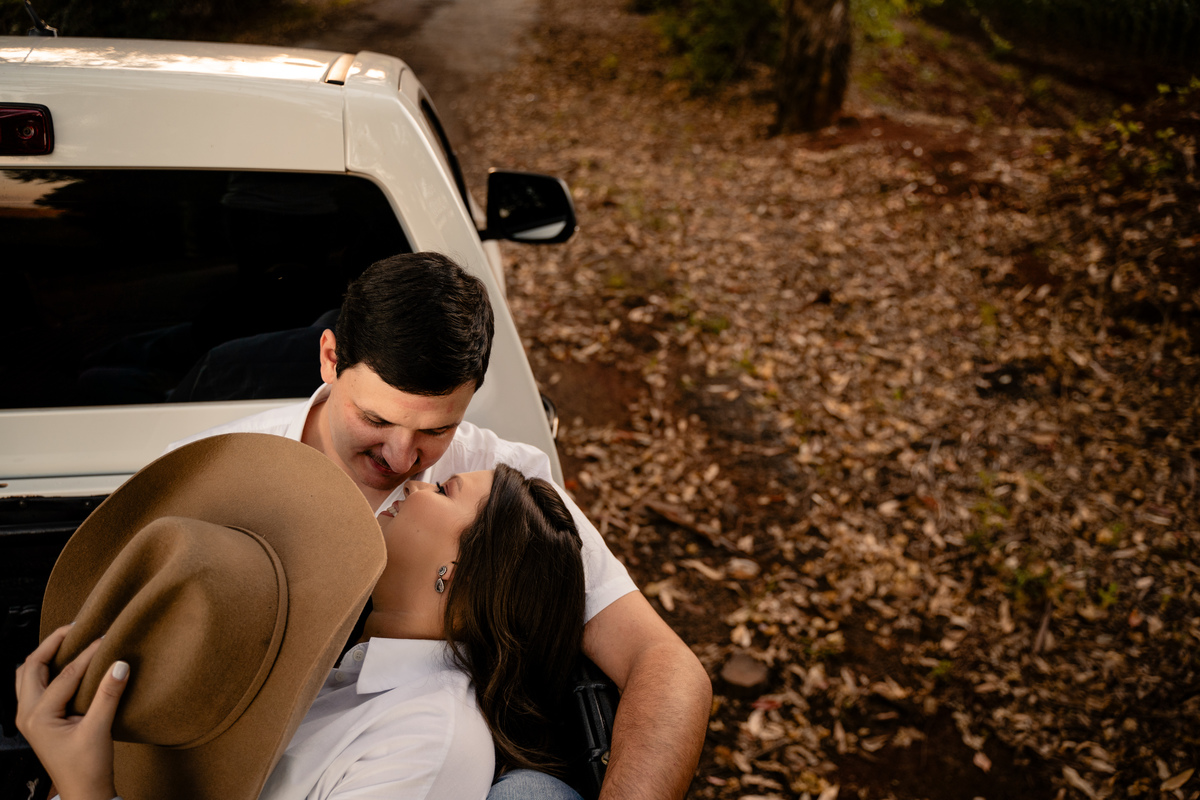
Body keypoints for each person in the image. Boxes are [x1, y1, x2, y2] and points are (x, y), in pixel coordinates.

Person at [167, 252, 712, 800]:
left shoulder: (499, 482)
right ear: (330, 359)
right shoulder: (213, 475)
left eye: (439, 428)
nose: (404, 459)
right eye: (376, 420)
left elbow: (662, 662)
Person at [16, 435, 587, 800]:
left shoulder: (430, 740)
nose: (413, 485)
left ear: (455, 574)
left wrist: (86, 790)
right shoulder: (343, 659)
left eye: (442, 488)